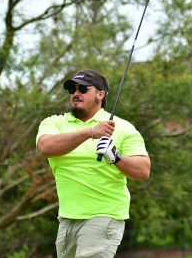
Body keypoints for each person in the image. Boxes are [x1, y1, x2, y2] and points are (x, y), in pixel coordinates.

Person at [36, 69, 151, 258]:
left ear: (100, 94)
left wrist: (115, 156)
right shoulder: (54, 123)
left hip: (103, 216)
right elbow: (45, 146)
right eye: (72, 89)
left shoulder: (122, 128)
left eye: (82, 89)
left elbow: (143, 170)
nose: (76, 93)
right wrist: (89, 132)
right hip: (67, 218)